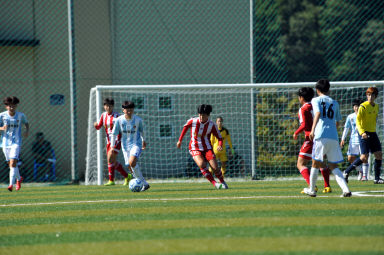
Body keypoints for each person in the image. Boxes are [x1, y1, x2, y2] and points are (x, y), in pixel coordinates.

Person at [305, 79, 351, 197]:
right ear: (329, 89)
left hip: (321, 135)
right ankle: (346, 190)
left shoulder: (315, 100)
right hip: (333, 136)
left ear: (317, 90)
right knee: (333, 166)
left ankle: (312, 190)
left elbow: (318, 114)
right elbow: (337, 121)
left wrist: (313, 130)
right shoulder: (335, 103)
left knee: (315, 163)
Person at [177, 104, 228, 189]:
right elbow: (185, 128)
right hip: (194, 147)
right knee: (201, 164)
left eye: (203, 115)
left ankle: (222, 181)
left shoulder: (212, 125)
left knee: (215, 167)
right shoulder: (192, 121)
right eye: (200, 114)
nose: (201, 117)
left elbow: (219, 138)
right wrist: (180, 140)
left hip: (207, 148)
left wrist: (220, 145)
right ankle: (215, 183)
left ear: (208, 115)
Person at [293, 87, 332, 194]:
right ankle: (327, 186)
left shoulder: (303, 109)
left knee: (300, 163)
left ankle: (312, 186)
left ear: (301, 98)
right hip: (322, 136)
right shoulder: (317, 105)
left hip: (310, 138)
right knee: (320, 162)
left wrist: (296, 132)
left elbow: (304, 125)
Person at [343, 87, 383, 184]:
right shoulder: (363, 107)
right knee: (364, 157)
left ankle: (377, 178)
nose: (370, 97)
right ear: (366, 96)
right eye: (368, 95)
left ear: (375, 96)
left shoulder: (376, 106)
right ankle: (346, 172)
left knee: (379, 155)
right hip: (363, 133)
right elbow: (358, 121)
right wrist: (362, 132)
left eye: (372, 95)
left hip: (373, 133)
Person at [110, 101, 150, 191]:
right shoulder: (119, 120)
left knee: (132, 162)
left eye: (131, 109)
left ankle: (141, 182)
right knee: (129, 166)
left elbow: (142, 131)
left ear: (133, 110)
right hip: (125, 147)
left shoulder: (138, 120)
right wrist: (112, 146)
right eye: (127, 109)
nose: (129, 111)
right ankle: (144, 183)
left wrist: (144, 140)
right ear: (123, 110)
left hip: (136, 144)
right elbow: (114, 134)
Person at [94, 98, 132, 186]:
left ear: (113, 106)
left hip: (116, 140)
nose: (108, 108)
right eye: (107, 106)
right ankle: (127, 176)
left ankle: (111, 180)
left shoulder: (117, 116)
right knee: (112, 162)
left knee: (110, 158)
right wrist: (96, 125)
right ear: (104, 106)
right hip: (108, 141)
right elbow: (99, 126)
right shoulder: (103, 116)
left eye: (110, 106)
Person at [0, 96, 29, 192]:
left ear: (16, 106)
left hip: (16, 143)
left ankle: (10, 185)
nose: (12, 108)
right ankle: (19, 178)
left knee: (13, 163)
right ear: (6, 107)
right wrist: (1, 128)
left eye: (14, 106)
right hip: (5, 143)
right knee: (10, 164)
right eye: (10, 106)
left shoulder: (21, 115)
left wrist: (26, 131)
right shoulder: (2, 115)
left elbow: (26, 123)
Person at [340, 99, 367, 181]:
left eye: (358, 106)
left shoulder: (364, 115)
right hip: (353, 140)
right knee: (350, 158)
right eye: (355, 106)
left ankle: (365, 176)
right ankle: (360, 171)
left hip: (362, 138)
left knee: (364, 157)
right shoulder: (350, 117)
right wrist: (343, 139)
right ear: (353, 107)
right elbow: (347, 128)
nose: (356, 108)